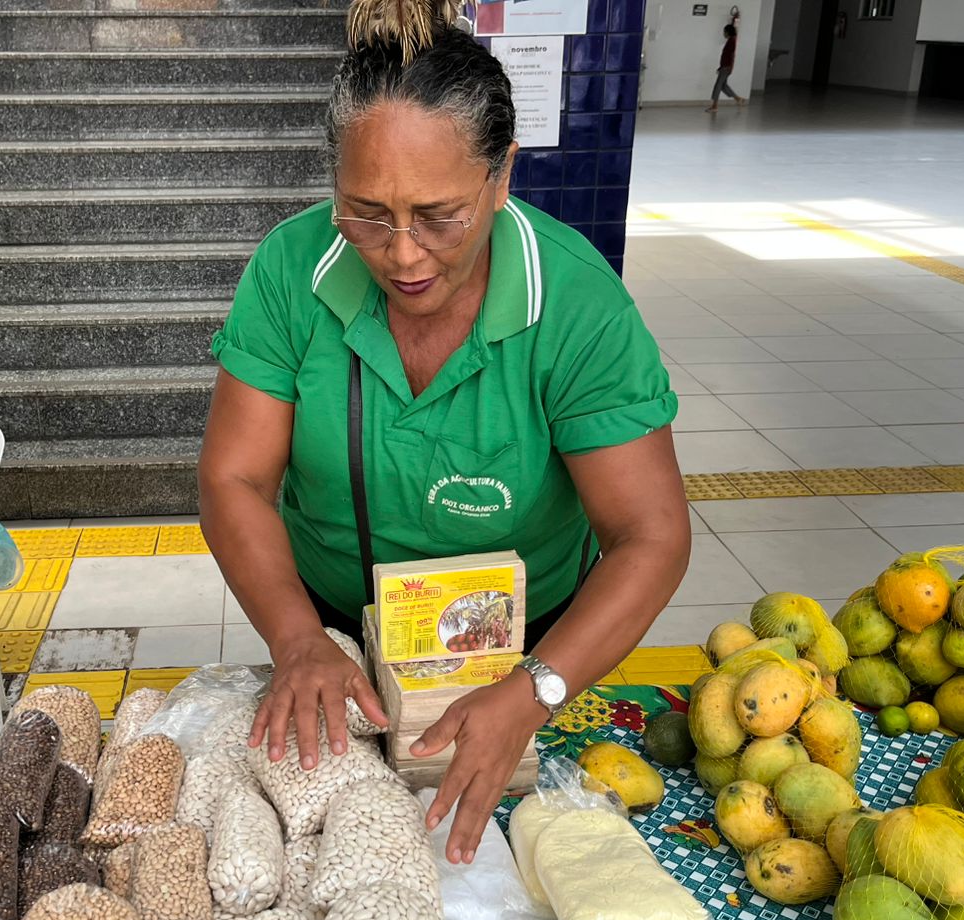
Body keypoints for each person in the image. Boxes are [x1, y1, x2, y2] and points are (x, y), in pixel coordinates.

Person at [199, 0, 691, 863]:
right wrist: (297, 639)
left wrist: (535, 688)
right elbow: (234, 481)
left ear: (501, 178)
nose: (400, 254)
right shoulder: (291, 269)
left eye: (439, 215)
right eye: (364, 211)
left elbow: (650, 534)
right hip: (333, 634)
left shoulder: (574, 304)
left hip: (525, 647)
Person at [706, 23, 746, 112]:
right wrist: (721, 67)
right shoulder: (731, 40)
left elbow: (732, 55)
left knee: (718, 86)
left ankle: (714, 106)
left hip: (726, 68)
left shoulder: (732, 41)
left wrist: (730, 67)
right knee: (723, 86)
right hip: (724, 67)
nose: (723, 33)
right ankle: (738, 99)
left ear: (728, 32)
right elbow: (726, 55)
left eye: (724, 32)